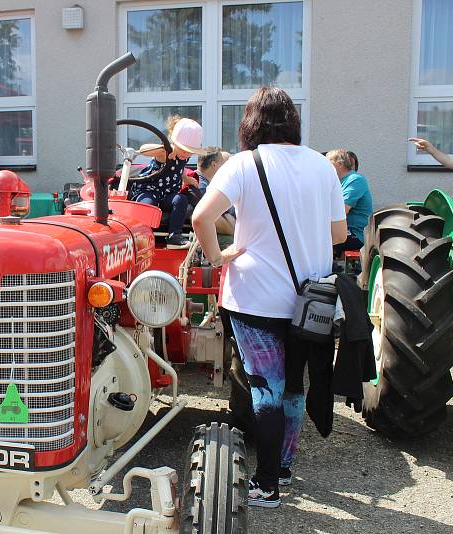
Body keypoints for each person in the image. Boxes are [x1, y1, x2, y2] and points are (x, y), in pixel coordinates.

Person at [192, 86, 347, 509]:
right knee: (294, 387)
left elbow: (201, 216)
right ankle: (282, 468)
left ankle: (266, 486)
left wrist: (218, 255)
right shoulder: (322, 166)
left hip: (254, 297)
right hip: (308, 302)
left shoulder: (243, 164)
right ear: (293, 120)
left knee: (266, 389)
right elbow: (339, 234)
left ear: (250, 123)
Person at [128, 116, 205, 248]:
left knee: (181, 199)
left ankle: (174, 236)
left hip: (166, 195)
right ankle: (141, 237)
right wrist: (164, 148)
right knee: (148, 205)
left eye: (190, 152)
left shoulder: (183, 157)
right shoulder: (165, 154)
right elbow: (144, 149)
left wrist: (186, 179)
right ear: (174, 143)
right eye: (183, 149)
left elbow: (178, 170)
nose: (186, 154)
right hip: (149, 191)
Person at [326, 149, 373, 253]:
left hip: (356, 234)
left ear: (339, 164)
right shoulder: (337, 181)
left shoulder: (355, 180)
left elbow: (341, 211)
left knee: (313, 238)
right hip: (343, 230)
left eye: (328, 163)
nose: (325, 167)